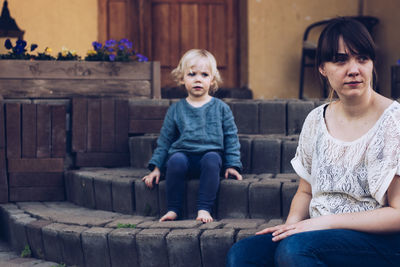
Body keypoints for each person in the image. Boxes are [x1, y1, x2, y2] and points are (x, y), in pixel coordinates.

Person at [226, 17, 400, 266]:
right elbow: (305, 191)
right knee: (242, 254)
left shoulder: (393, 121)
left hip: (377, 242)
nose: (353, 69)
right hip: (317, 235)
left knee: (296, 251)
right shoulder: (316, 120)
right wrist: (289, 229)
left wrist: (322, 223)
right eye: (340, 60)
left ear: (372, 64)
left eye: (362, 58)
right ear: (322, 68)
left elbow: (398, 214)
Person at [142, 49, 242, 223]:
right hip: (183, 155)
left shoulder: (221, 108)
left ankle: (204, 209)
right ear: (182, 78)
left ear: (212, 80)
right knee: (175, 161)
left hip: (210, 155)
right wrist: (156, 167)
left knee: (211, 160)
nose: (198, 79)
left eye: (204, 74)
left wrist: (232, 164)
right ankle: (173, 209)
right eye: (192, 74)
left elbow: (231, 138)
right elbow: (165, 140)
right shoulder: (176, 109)